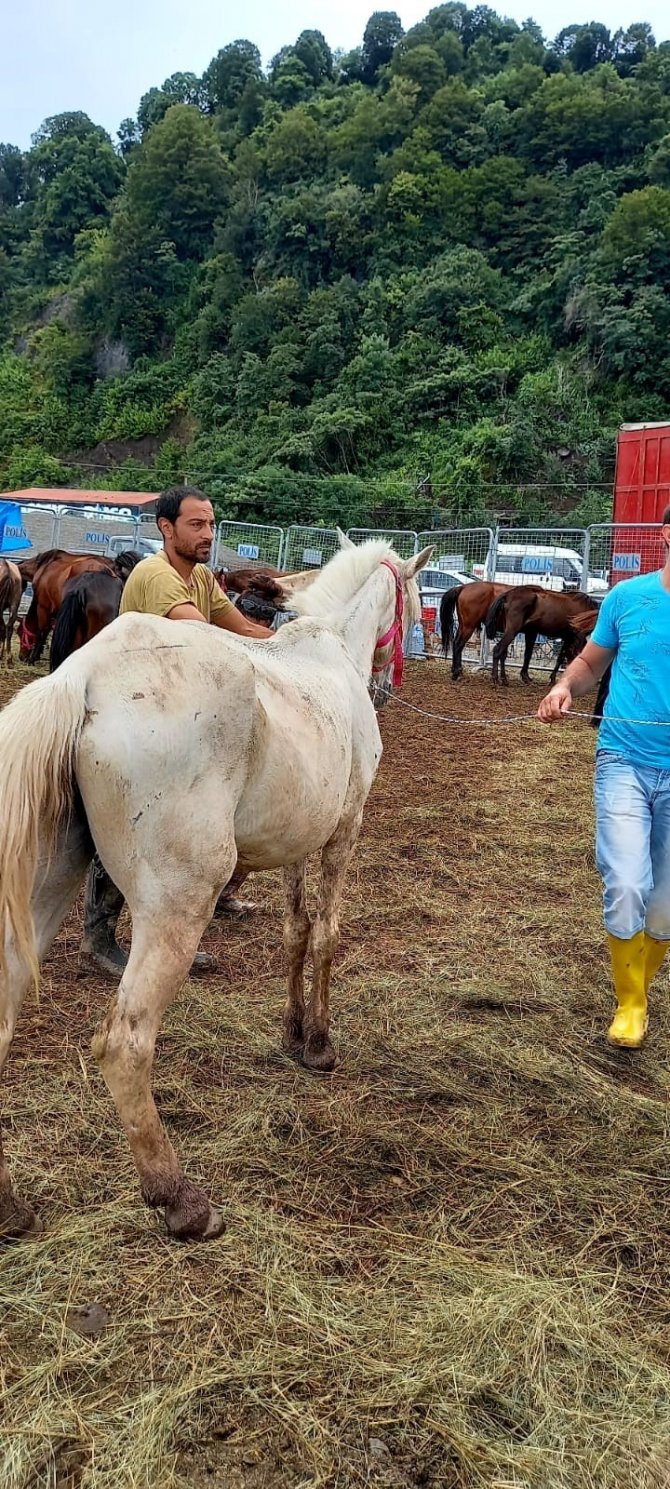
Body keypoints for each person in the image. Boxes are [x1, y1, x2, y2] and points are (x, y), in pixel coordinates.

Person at [81, 485, 272, 978]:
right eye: (196, 524)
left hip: (174, 713)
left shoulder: (202, 577)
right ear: (166, 529)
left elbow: (242, 627)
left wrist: (297, 643)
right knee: (127, 823)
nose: (208, 533)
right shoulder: (156, 575)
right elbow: (204, 635)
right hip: (137, 713)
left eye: (210, 523)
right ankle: (97, 940)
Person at [538, 507, 670, 1048]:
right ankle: (631, 1004)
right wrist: (565, 687)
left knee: (665, 901)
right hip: (624, 760)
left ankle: (640, 985)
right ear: (667, 534)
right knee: (626, 883)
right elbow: (591, 664)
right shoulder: (627, 597)